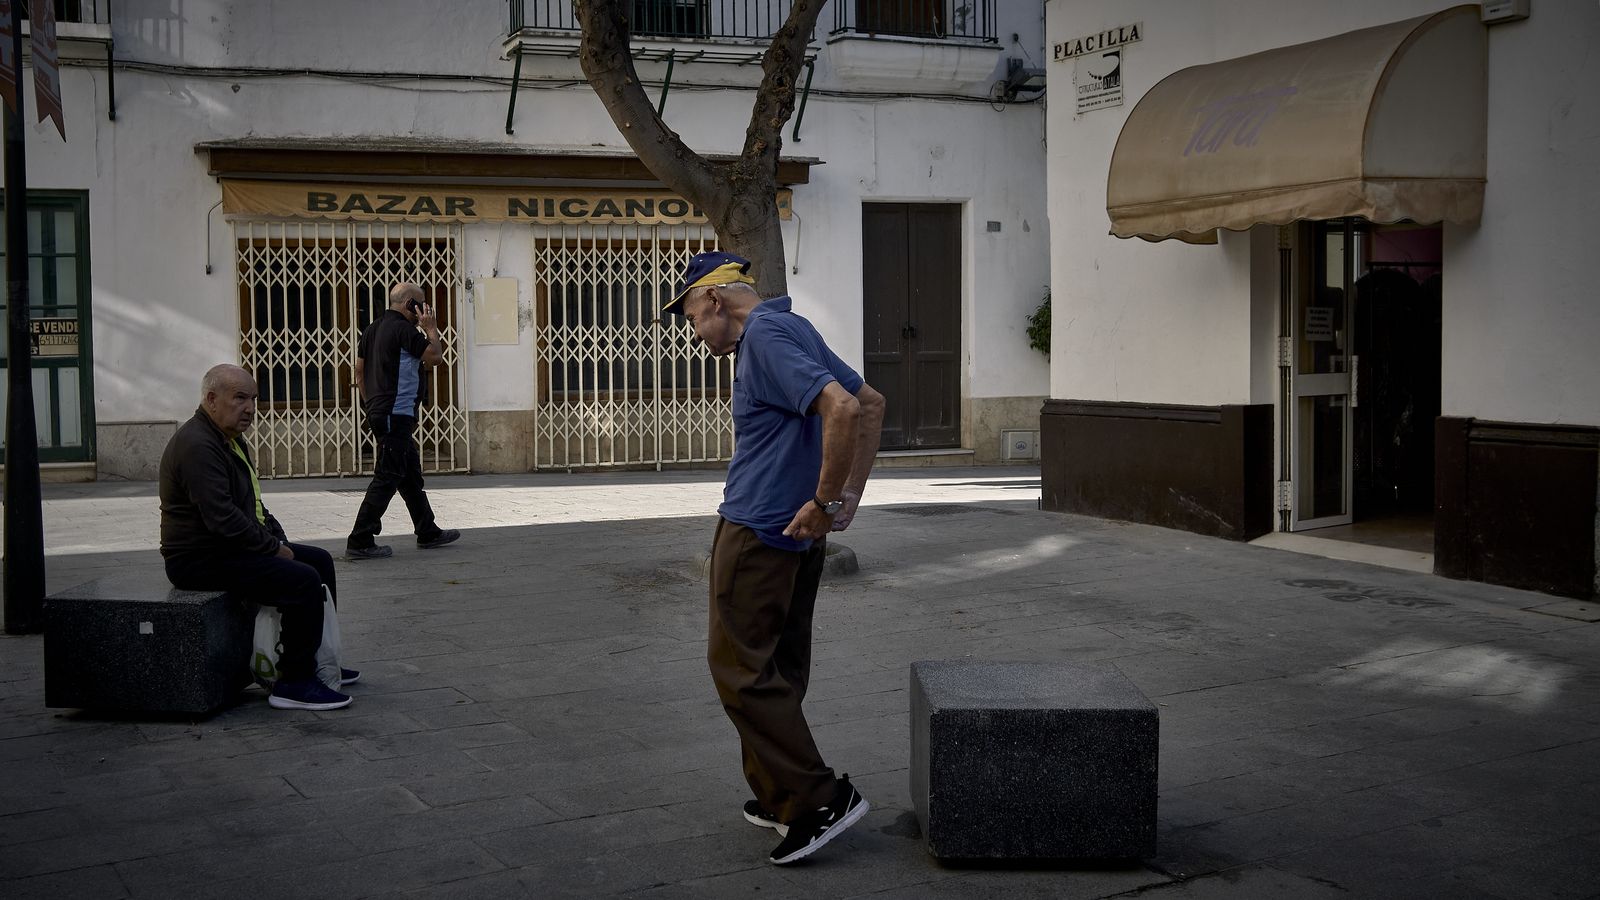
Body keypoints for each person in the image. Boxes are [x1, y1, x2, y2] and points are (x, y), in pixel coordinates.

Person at [666, 250, 887, 865]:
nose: (691, 330)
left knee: (738, 669)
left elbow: (844, 408)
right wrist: (844, 503)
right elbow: (870, 402)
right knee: (779, 667)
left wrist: (827, 499)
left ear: (712, 300)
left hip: (760, 528)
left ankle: (819, 800)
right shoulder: (792, 325)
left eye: (687, 315)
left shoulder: (763, 337)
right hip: (796, 535)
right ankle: (779, 794)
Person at [160, 364, 357, 711]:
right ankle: (294, 681)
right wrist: (272, 549)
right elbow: (222, 519)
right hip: (198, 559)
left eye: (253, 399)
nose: (250, 408)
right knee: (302, 580)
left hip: (227, 547)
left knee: (320, 561)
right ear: (211, 399)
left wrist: (277, 539)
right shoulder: (197, 445)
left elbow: (253, 504)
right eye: (239, 398)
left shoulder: (228, 440)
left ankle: (319, 660)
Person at [345, 282, 460, 559]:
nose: (423, 309)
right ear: (410, 304)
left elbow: (359, 372)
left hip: (382, 411)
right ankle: (360, 539)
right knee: (387, 476)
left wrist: (371, 404)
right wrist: (430, 327)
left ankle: (427, 530)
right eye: (420, 304)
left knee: (409, 474)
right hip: (395, 413)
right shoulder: (404, 330)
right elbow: (435, 357)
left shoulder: (371, 329)